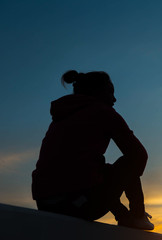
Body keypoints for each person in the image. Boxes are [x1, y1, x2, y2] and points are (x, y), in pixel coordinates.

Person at [31, 70, 154, 230]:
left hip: (45, 203)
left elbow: (85, 174)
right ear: (97, 92)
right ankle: (137, 217)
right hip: (77, 205)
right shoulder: (103, 112)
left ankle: (125, 217)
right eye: (110, 92)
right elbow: (138, 156)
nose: (114, 99)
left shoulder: (61, 117)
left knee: (102, 171)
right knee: (129, 161)